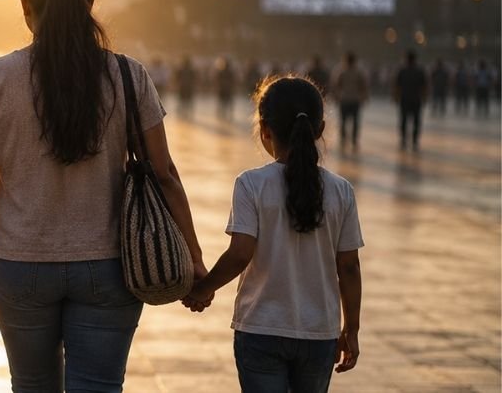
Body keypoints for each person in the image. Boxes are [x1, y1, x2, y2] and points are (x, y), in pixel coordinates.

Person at [0, 0, 207, 392]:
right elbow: (164, 173)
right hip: (109, 266)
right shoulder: (128, 75)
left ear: (25, 6)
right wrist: (195, 259)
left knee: (31, 385)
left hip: (18, 263)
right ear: (90, 3)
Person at [183, 75, 363, 393]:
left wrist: (202, 288)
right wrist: (352, 328)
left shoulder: (251, 184)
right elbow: (348, 267)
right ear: (319, 130)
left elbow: (240, 253)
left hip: (261, 328)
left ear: (265, 129)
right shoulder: (341, 191)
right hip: (318, 332)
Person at [330, 52, 369, 150]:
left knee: (343, 121)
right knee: (355, 121)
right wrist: (364, 97)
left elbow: (336, 85)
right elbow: (363, 86)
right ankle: (354, 140)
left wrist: (336, 97)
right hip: (355, 100)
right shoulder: (359, 72)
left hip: (344, 99)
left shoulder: (341, 72)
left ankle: (343, 139)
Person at [393, 50, 428, 150]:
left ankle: (404, 139)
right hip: (416, 99)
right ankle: (415, 140)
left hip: (404, 99)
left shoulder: (402, 71)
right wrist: (424, 97)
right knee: (416, 120)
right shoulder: (420, 71)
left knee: (404, 120)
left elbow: (397, 85)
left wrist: (396, 97)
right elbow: (424, 86)